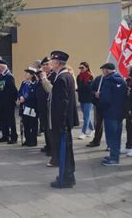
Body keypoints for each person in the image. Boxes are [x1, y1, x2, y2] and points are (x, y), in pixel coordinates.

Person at [49, 51, 78, 189]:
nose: (50, 63)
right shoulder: (67, 76)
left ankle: (65, 178)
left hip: (62, 123)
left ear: (57, 63)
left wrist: (61, 124)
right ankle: (68, 175)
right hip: (66, 121)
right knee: (67, 150)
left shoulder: (61, 79)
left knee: (64, 151)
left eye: (52, 61)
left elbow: (63, 104)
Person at [96, 63, 128, 166]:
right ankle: (114, 155)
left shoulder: (108, 81)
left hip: (110, 113)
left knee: (112, 136)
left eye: (103, 70)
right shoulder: (122, 81)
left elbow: (105, 99)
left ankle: (114, 158)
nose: (102, 72)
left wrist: (99, 96)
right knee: (116, 136)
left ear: (106, 70)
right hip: (119, 113)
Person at [0, 59, 18, 144]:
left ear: (1, 67)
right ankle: (5, 136)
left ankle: (13, 137)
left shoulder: (9, 76)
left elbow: (13, 90)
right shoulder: (2, 76)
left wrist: (12, 101)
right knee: (3, 120)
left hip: (8, 103)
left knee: (10, 120)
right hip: (1, 103)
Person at [18, 66, 38, 146]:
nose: (26, 74)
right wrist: (20, 97)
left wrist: (25, 99)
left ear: (32, 75)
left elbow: (34, 96)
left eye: (27, 73)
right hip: (24, 107)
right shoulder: (24, 83)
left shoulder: (35, 84)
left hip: (32, 107)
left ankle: (33, 140)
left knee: (32, 124)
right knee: (26, 124)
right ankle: (27, 139)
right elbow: (19, 92)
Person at [36, 57, 52, 155]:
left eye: (47, 64)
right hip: (42, 105)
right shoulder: (43, 75)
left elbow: (50, 90)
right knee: (45, 127)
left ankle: (51, 148)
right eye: (44, 65)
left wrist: (44, 78)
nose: (45, 66)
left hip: (48, 106)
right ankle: (48, 145)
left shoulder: (52, 75)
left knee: (49, 128)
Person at [76, 62, 94, 140]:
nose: (81, 69)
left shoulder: (90, 77)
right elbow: (79, 87)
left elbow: (90, 88)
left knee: (86, 117)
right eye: (80, 68)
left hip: (89, 99)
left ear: (87, 68)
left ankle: (83, 132)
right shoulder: (79, 77)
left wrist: (83, 86)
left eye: (82, 68)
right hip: (82, 98)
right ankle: (93, 129)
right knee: (87, 116)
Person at [86, 74, 104, 148]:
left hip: (110, 106)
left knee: (110, 125)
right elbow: (91, 89)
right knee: (98, 123)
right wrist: (95, 93)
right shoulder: (99, 78)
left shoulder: (114, 79)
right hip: (99, 104)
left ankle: (110, 145)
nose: (105, 71)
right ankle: (96, 140)